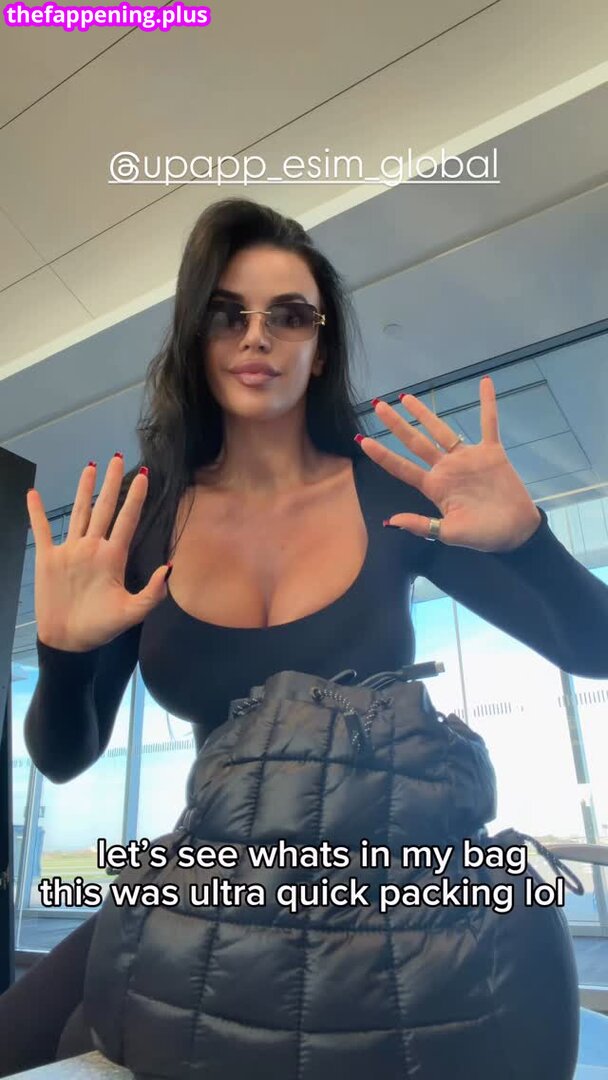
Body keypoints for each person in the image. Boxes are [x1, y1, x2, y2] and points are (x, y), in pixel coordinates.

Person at [1, 196, 607, 1076]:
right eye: (227, 314)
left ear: (320, 346)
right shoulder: (148, 518)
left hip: (391, 895)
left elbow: (595, 650)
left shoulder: (388, 492)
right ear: (195, 338)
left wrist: (531, 545)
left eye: (288, 315)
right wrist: (63, 656)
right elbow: (63, 758)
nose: (257, 337)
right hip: (211, 888)